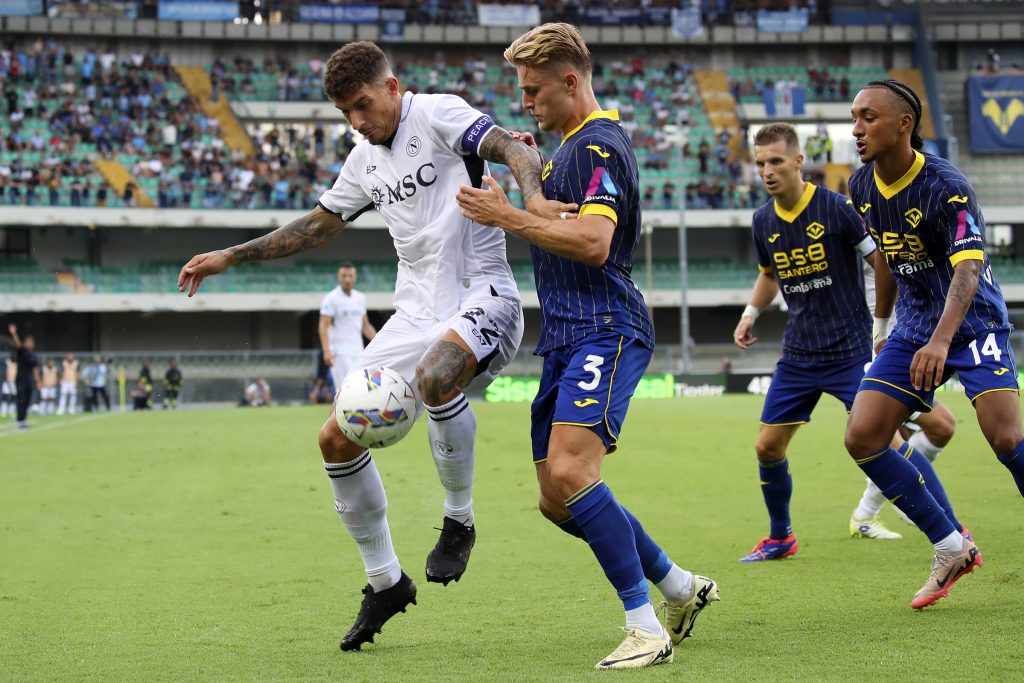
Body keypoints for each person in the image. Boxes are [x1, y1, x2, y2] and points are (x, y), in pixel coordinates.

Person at [178, 40, 553, 652]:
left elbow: (510, 146)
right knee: (332, 438)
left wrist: (531, 199)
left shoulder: (437, 113)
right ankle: (385, 581)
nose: (357, 121)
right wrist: (231, 255)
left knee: (436, 377)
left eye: (362, 105)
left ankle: (458, 519)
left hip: (484, 295)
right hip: (413, 314)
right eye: (345, 112)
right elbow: (317, 226)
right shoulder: (362, 160)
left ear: (393, 87)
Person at [456, 23, 717, 670]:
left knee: (574, 473)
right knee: (554, 496)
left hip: (606, 324)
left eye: (534, 89)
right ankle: (680, 586)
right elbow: (559, 218)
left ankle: (644, 627)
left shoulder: (599, 145)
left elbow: (596, 242)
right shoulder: (566, 148)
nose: (525, 102)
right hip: (567, 336)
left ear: (571, 81)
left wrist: (506, 217)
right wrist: (519, 198)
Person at [732, 122, 963, 556]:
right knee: (767, 446)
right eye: (760, 163)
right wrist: (750, 313)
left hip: (849, 350)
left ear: (799, 162)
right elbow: (769, 274)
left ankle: (954, 530)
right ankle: (781, 537)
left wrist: (887, 324)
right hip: (799, 353)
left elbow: (883, 259)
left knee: (888, 442)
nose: (767, 171)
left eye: (777, 161)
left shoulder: (837, 207)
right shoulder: (762, 220)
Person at [845, 79, 1024, 609]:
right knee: (863, 435)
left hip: (973, 323)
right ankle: (951, 547)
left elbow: (968, 270)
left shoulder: (947, 185)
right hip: (915, 327)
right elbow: (886, 259)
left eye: (869, 117)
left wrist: (942, 342)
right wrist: (882, 330)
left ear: (904, 124)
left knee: (1005, 437)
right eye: (854, 117)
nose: (856, 129)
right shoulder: (861, 186)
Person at [319, 262, 377, 394]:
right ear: (339, 277)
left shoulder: (360, 298)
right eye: (344, 276)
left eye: (350, 276)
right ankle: (336, 415)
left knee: (360, 390)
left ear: (355, 277)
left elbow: (365, 325)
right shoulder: (331, 299)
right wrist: (326, 351)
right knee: (344, 391)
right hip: (339, 353)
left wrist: (379, 340)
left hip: (358, 351)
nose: (347, 279)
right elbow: (323, 325)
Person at [7, 324, 40, 430]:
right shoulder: (22, 352)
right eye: (28, 341)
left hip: (29, 381)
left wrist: (38, 381)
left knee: (27, 400)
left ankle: (23, 420)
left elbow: (35, 369)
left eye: (32, 342)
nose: (30, 344)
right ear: (25, 343)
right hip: (20, 380)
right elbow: (18, 345)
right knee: (21, 400)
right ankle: (19, 421)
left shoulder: (33, 356)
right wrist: (14, 333)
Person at [1, 352, 16, 419]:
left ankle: (11, 412)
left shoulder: (17, 364)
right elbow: (4, 372)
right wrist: (6, 379)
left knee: (13, 398)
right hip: (7, 383)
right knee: (5, 397)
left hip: (14, 383)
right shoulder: (7, 362)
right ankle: (3, 412)